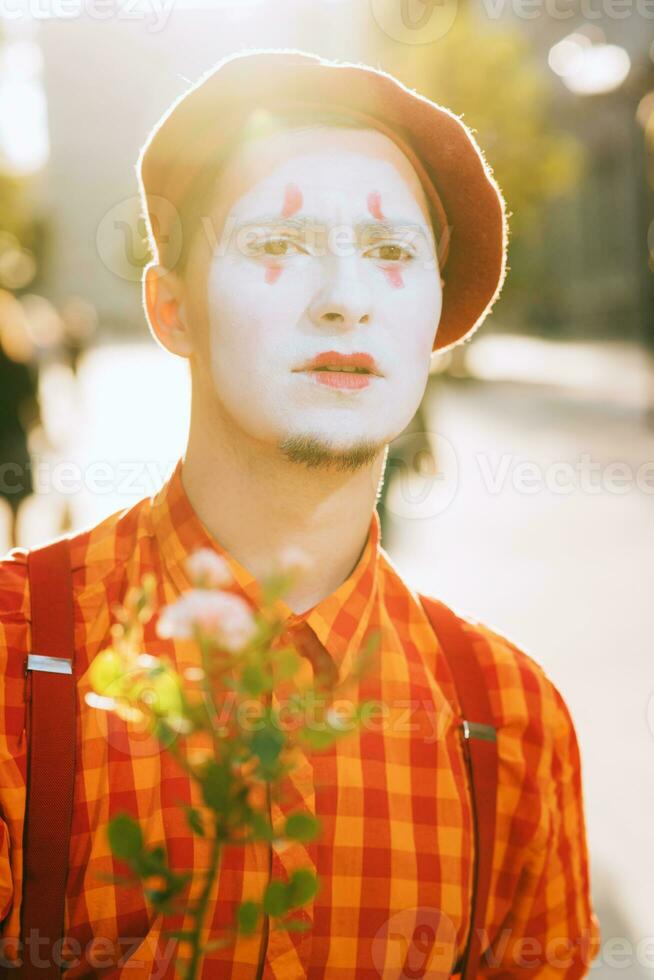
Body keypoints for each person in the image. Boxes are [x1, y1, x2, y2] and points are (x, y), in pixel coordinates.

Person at [0, 49, 601, 978]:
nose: (346, 302)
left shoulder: (511, 726)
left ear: (436, 316)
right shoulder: (14, 666)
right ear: (173, 308)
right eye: (276, 247)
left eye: (394, 253)